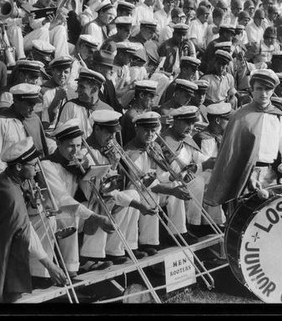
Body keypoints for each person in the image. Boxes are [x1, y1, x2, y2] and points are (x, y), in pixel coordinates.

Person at [0, 137, 67, 303]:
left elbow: (21, 220)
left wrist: (32, 203)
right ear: (18, 167)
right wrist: (50, 265)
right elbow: (23, 231)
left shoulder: (13, 179)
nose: (38, 169)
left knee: (46, 221)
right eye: (33, 165)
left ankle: (30, 278)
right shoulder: (8, 192)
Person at [204, 69, 282, 217]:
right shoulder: (240, 117)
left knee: (270, 221)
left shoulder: (280, 118)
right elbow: (231, 155)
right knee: (244, 220)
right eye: (259, 88)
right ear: (252, 90)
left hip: (271, 177)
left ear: (273, 90)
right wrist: (249, 177)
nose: (264, 93)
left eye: (268, 89)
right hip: (243, 177)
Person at [41, 119, 115, 276]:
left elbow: (89, 194)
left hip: (68, 211)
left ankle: (91, 256)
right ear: (58, 144)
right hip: (50, 214)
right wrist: (93, 217)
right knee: (71, 213)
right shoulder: (47, 165)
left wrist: (87, 171)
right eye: (70, 146)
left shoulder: (75, 163)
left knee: (102, 202)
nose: (75, 151)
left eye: (78, 146)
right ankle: (71, 268)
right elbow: (62, 200)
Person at [80, 110, 156, 264]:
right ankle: (91, 255)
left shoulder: (105, 149)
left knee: (133, 195)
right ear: (97, 129)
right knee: (108, 202)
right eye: (109, 133)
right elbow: (100, 190)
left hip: (106, 194)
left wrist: (115, 163)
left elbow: (114, 184)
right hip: (89, 199)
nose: (112, 138)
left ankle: (121, 247)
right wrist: (137, 205)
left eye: (114, 134)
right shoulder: (86, 152)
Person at [124, 111, 194, 251]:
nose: (150, 134)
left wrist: (177, 177)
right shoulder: (130, 151)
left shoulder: (154, 147)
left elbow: (162, 175)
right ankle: (148, 242)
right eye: (146, 130)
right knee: (151, 196)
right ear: (137, 129)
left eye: (153, 130)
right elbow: (141, 183)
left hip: (153, 187)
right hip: (138, 193)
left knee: (177, 185)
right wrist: (170, 190)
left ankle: (179, 232)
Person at [159, 106, 216, 238]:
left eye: (192, 123)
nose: (190, 127)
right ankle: (185, 229)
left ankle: (204, 222)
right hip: (166, 182)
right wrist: (199, 167)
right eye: (187, 123)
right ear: (176, 122)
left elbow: (200, 159)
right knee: (196, 182)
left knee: (210, 176)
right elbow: (173, 173)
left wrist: (212, 162)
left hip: (184, 177)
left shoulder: (185, 137)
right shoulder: (166, 141)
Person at [0, 83, 51, 177]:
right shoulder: (1, 122)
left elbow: (41, 152)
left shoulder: (35, 120)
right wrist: (10, 181)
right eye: (29, 104)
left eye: (34, 104)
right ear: (15, 101)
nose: (32, 108)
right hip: (10, 177)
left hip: (34, 175)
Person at [57, 68, 113, 138]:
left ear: (94, 90)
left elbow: (111, 141)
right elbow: (61, 136)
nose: (77, 90)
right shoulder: (70, 106)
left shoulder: (108, 111)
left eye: (82, 87)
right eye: (78, 86)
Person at [41, 56, 77, 132]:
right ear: (52, 71)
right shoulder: (43, 91)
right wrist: (57, 99)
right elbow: (45, 122)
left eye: (66, 72)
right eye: (59, 71)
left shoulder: (72, 91)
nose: (62, 75)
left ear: (70, 73)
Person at [120, 80, 158, 145]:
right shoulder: (132, 116)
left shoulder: (144, 111)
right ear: (141, 95)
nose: (153, 100)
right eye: (151, 97)